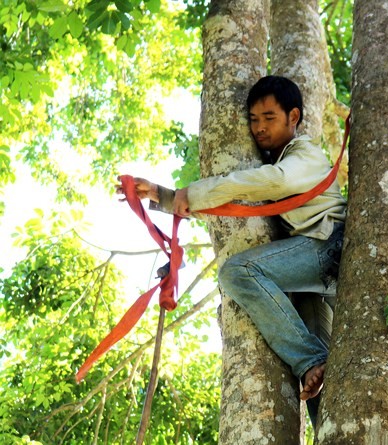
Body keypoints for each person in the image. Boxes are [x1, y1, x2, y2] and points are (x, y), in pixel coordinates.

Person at [120, 76, 346, 423]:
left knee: (238, 272)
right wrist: (165, 196)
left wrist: (193, 192)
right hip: (311, 271)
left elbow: (274, 182)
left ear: (294, 117)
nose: (259, 128)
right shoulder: (280, 158)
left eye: (269, 118)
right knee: (322, 389)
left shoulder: (306, 154)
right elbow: (242, 205)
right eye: (253, 120)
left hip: (327, 246)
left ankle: (310, 359)